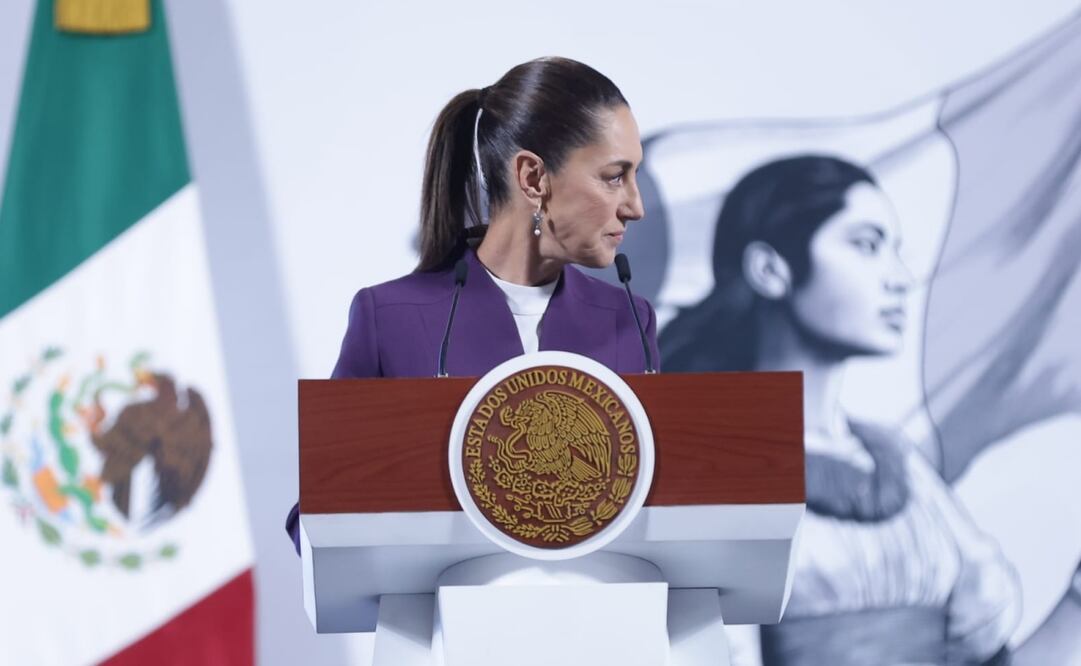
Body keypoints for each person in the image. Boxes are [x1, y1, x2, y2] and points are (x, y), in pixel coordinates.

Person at [286, 56, 659, 553]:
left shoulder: (631, 321)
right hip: (447, 624)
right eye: (614, 177)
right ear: (532, 178)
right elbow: (314, 518)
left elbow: (662, 504)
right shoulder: (389, 319)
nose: (635, 206)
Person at [661, 155, 1022, 665]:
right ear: (770, 269)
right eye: (866, 245)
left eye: (896, 251)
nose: (900, 278)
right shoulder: (708, 464)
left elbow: (989, 648)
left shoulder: (898, 463)